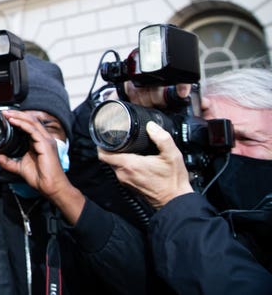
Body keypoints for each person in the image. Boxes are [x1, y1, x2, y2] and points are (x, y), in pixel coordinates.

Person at [0, 54, 150, 295]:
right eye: (16, 127)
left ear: (67, 138)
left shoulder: (94, 182)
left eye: (45, 126)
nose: (30, 137)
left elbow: (139, 278)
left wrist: (63, 193)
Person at [98, 67, 272, 293]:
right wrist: (115, 111)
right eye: (215, 136)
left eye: (246, 138)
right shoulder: (196, 188)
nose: (228, 151)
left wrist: (175, 203)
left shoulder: (181, 198)